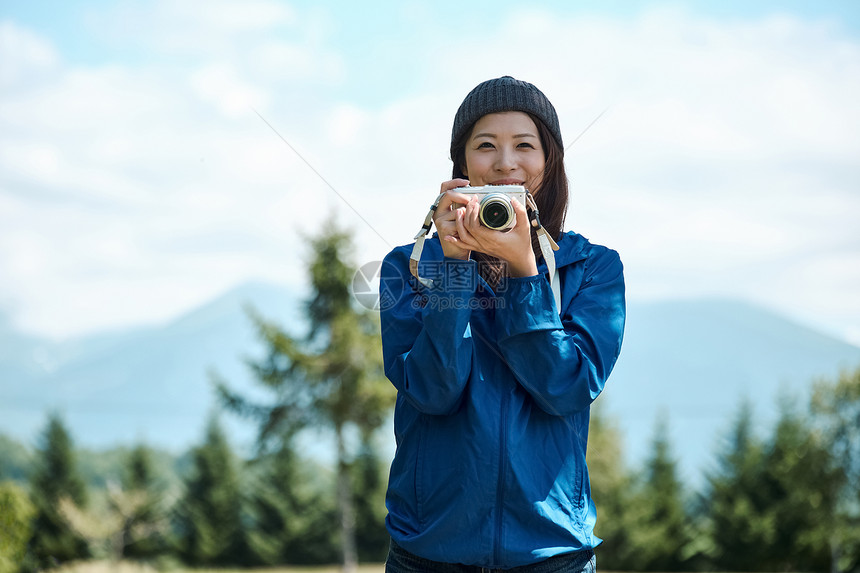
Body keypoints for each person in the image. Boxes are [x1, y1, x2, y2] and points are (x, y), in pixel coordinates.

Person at [379, 76, 626, 572]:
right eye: (485, 145)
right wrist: (453, 268)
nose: (505, 162)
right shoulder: (406, 267)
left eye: (525, 145)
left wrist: (524, 273)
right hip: (429, 554)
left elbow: (565, 388)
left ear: (549, 160)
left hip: (552, 555)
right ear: (462, 164)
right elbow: (432, 391)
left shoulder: (592, 268)